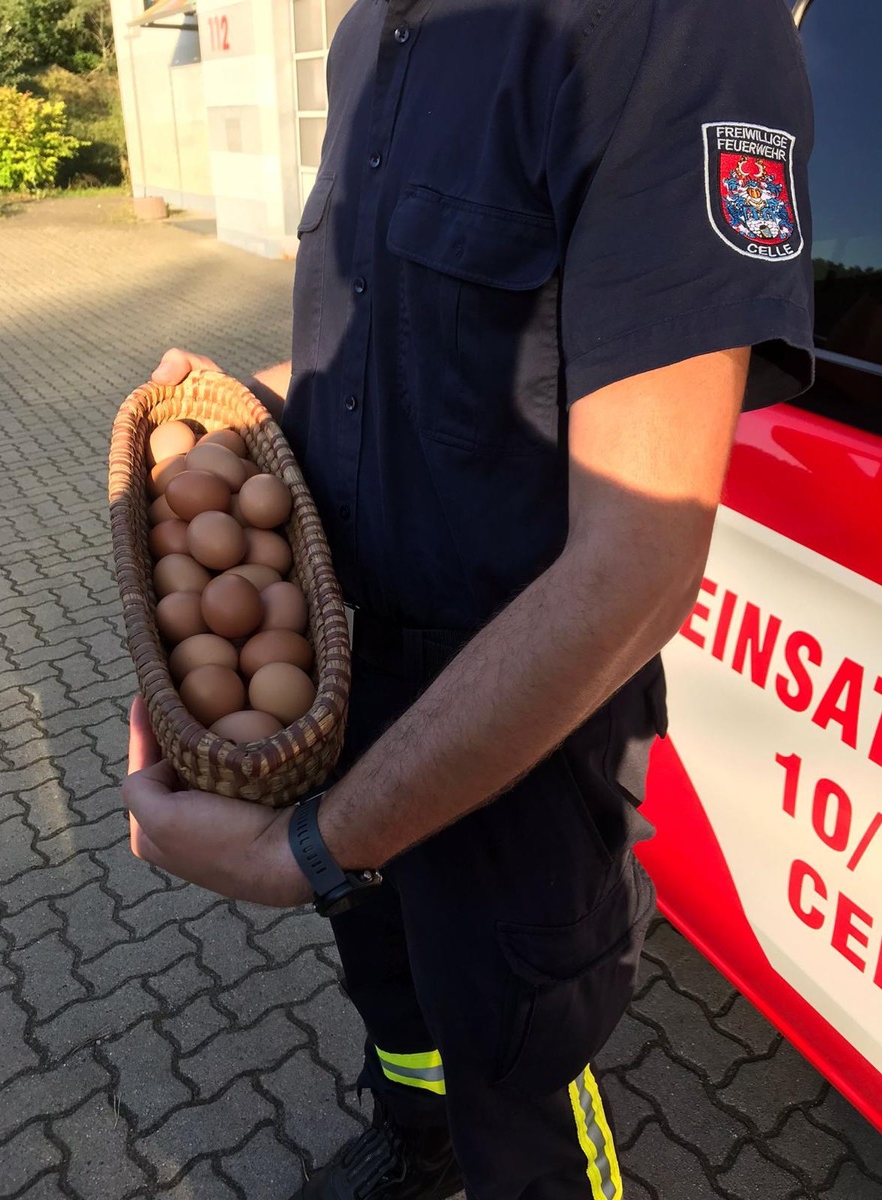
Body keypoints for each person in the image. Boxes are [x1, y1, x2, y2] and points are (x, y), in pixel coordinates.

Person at [123, 0, 815, 1196]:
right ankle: (420, 1137)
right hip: (349, 681)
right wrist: (234, 412)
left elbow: (636, 567)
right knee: (390, 982)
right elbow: (388, 361)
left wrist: (310, 854)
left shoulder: (675, 27)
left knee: (522, 1054)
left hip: (515, 733)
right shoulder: (368, 32)